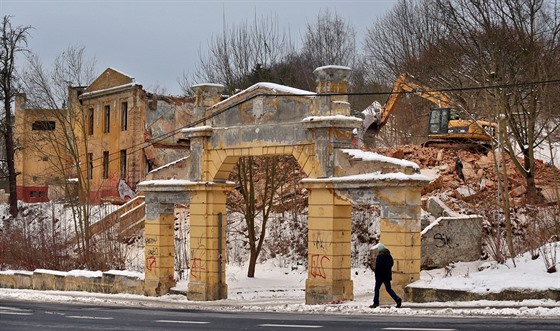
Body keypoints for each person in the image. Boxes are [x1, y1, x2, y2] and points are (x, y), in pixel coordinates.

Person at [370, 243, 402, 308]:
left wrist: (376, 274)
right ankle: (397, 299)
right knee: (389, 289)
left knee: (376, 289)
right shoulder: (389, 256)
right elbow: (391, 264)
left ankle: (375, 303)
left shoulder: (380, 257)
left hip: (380, 276)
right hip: (387, 276)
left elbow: (378, 267)